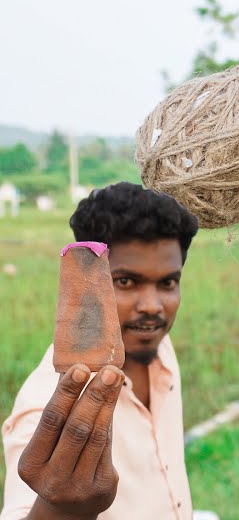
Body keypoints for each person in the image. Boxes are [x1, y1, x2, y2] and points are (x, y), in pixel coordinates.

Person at [2, 183, 199, 520]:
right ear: (87, 285)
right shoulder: (43, 407)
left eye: (167, 282)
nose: (153, 307)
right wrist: (58, 510)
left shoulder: (158, 349)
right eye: (125, 282)